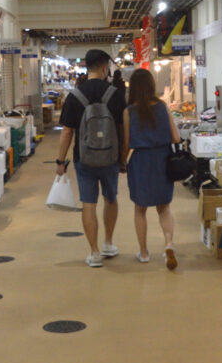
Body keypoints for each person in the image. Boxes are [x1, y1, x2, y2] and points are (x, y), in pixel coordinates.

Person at [56, 49, 127, 267]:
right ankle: (108, 243)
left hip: (84, 158)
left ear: (87, 67)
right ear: (105, 68)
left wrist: (60, 161)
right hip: (111, 157)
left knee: (88, 203)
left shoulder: (75, 96)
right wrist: (123, 158)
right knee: (111, 198)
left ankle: (94, 253)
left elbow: (67, 131)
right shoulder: (115, 94)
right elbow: (124, 130)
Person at [122, 68, 181, 269]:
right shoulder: (163, 107)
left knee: (140, 209)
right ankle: (169, 243)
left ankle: (144, 252)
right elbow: (176, 137)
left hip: (140, 162)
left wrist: (122, 163)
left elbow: (127, 143)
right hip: (162, 159)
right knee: (164, 207)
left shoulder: (129, 112)